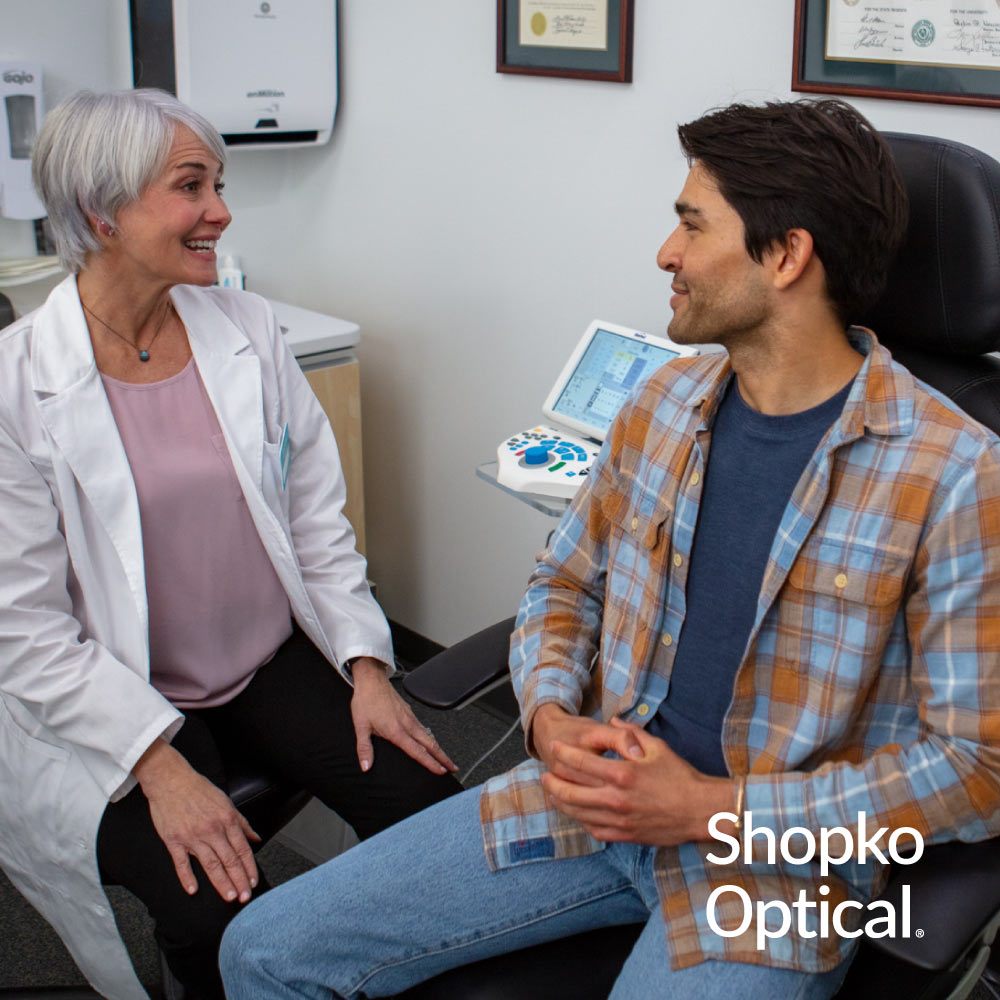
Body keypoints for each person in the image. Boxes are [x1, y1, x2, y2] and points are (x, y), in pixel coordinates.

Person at [220, 100, 1000, 998]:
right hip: (592, 800)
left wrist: (706, 807)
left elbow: (977, 772)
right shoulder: (662, 405)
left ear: (786, 256)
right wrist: (550, 716)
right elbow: (563, 585)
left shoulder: (955, 474)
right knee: (262, 951)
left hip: (774, 867)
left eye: (692, 225)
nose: (666, 254)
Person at [0, 88, 461, 1000]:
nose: (220, 210)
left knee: (434, 817)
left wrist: (368, 668)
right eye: (191, 187)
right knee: (220, 913)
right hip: (115, 695)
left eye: (218, 184)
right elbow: (25, 628)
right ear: (101, 210)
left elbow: (317, 524)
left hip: (263, 658)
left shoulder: (247, 331)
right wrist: (154, 763)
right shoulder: (17, 387)